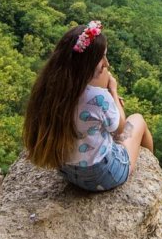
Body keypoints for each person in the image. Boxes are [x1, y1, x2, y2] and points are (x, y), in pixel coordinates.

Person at [23, 20, 153, 191]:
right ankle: (151, 169)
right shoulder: (98, 97)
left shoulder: (50, 89)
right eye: (101, 58)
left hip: (66, 170)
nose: (106, 63)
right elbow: (120, 128)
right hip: (104, 175)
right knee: (138, 120)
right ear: (87, 63)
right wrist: (112, 91)